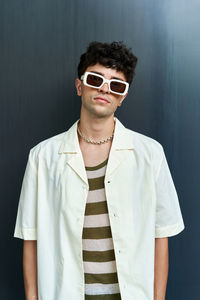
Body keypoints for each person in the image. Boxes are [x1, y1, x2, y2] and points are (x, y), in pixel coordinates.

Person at [13, 41, 185, 300]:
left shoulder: (150, 154)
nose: (105, 88)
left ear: (122, 97)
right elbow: (31, 238)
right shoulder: (42, 157)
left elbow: (160, 236)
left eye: (116, 84)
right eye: (96, 79)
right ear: (79, 85)